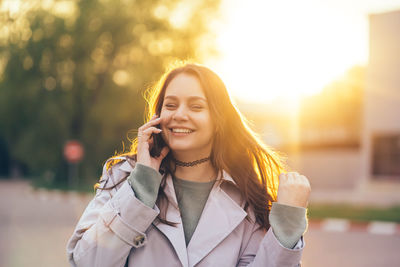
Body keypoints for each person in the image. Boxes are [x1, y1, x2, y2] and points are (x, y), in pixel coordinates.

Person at [67, 63, 311, 267]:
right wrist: (140, 189)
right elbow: (85, 262)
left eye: (196, 106)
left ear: (218, 120)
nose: (179, 115)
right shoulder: (123, 176)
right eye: (171, 105)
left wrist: (287, 227)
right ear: (157, 116)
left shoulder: (247, 196)